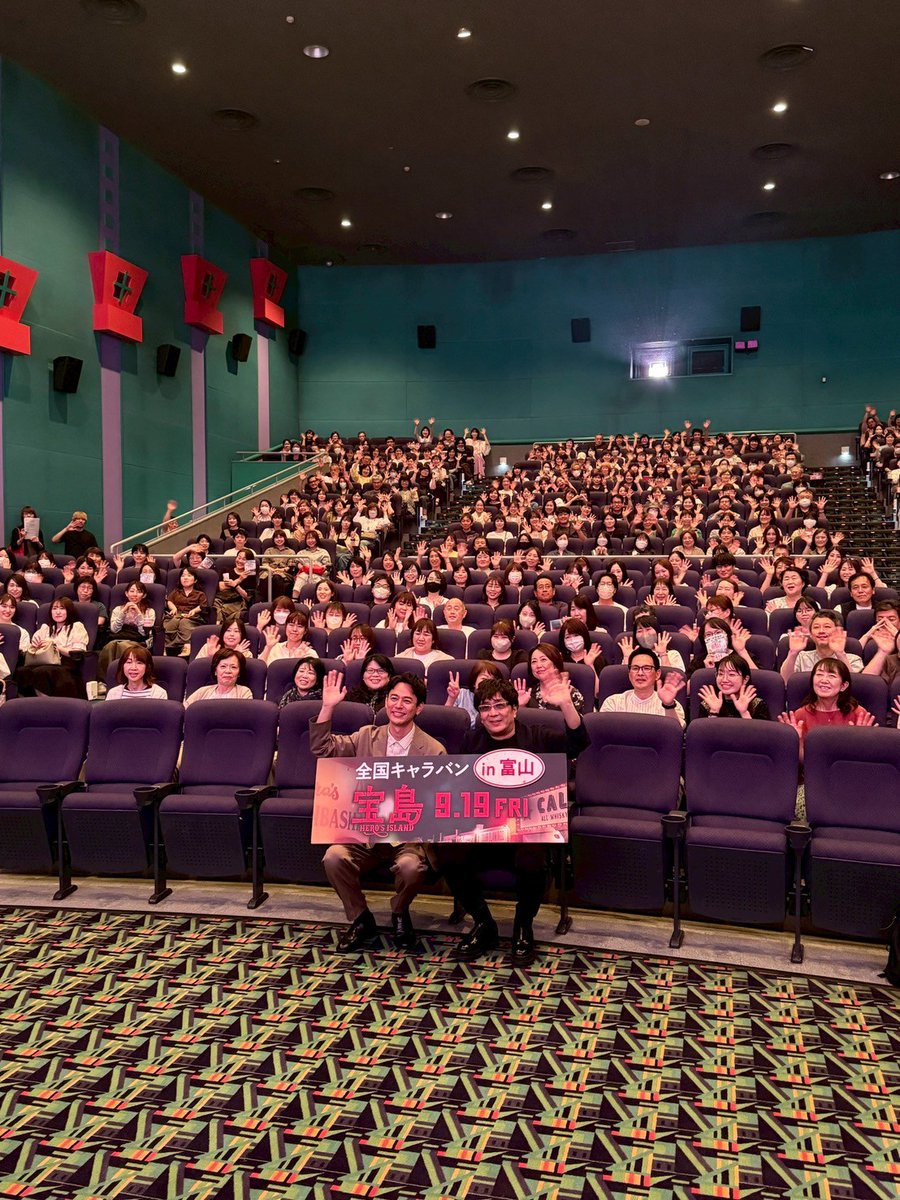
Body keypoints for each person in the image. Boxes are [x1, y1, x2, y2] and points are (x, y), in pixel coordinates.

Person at [436, 673, 589, 966]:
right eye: (485, 708)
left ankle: (523, 925)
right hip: (483, 829)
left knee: (532, 860)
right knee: (448, 854)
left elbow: (579, 742)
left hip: (527, 830)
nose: (492, 714)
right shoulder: (472, 740)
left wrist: (566, 704)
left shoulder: (538, 737)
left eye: (500, 706)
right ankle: (484, 923)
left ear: (514, 709)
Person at [311, 670, 447, 952]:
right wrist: (328, 707)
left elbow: (439, 803)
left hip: (407, 838)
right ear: (386, 702)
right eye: (393, 698)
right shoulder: (366, 736)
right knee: (334, 857)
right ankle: (361, 918)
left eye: (407, 701)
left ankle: (399, 912)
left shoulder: (433, 750)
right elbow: (322, 749)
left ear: (419, 708)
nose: (398, 706)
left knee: (411, 868)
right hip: (364, 834)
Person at [778, 657, 876, 762]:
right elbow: (802, 762)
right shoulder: (800, 715)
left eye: (831, 676)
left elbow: (866, 759)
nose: (824, 680)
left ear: (843, 686)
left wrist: (862, 742)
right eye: (819, 674)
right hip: (813, 770)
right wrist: (797, 741)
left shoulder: (858, 714)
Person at [18, 596, 89, 698]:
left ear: (69, 611)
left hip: (65, 665)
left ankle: (47, 703)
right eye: (54, 609)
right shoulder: (45, 629)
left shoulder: (76, 627)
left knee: (41, 672)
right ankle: (29, 703)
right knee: (22, 671)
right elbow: (33, 650)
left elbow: (77, 654)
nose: (57, 612)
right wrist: (35, 645)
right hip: (43, 662)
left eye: (62, 608)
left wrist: (54, 646)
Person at [599, 648, 685, 725]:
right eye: (635, 668)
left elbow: (676, 732)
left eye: (647, 668)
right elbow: (602, 730)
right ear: (629, 674)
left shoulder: (672, 704)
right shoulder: (613, 703)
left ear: (657, 674)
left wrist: (668, 706)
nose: (640, 673)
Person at [779, 610, 863, 681]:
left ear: (837, 632)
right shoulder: (801, 658)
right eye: (816, 627)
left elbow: (854, 687)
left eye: (827, 627)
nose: (821, 631)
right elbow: (786, 682)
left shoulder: (853, 659)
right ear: (810, 634)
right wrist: (793, 653)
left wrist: (840, 654)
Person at [696, 652, 771, 720]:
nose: (724, 680)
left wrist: (744, 713)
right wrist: (714, 712)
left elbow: (760, 731)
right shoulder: (709, 703)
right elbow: (703, 731)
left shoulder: (757, 705)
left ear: (745, 679)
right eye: (720, 674)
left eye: (731, 674)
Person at [516, 643, 587, 713]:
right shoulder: (526, 694)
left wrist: (566, 704)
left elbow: (578, 721)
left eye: (543, 660)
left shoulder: (570, 692)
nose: (538, 665)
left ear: (555, 663)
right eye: (534, 661)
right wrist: (521, 706)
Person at [164, 567, 210, 655]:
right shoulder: (176, 592)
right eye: (183, 576)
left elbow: (203, 606)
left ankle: (186, 647)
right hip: (177, 615)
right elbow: (169, 601)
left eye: (189, 575)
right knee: (172, 622)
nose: (185, 578)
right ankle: (167, 647)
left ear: (195, 580)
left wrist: (194, 611)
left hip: (192, 617)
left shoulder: (200, 594)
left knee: (184, 623)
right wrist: (173, 608)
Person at [184, 647, 254, 705]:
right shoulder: (202, 691)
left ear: (239, 673)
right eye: (223, 666)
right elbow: (185, 710)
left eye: (233, 667)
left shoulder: (244, 692)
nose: (228, 671)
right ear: (215, 671)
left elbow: (246, 715)